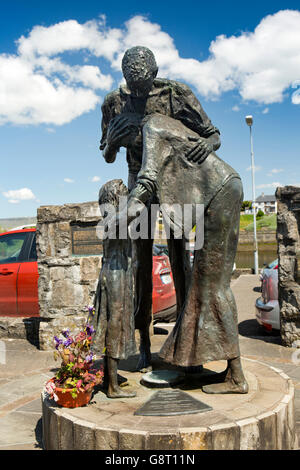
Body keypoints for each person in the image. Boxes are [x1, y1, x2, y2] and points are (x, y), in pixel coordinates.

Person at [100, 46, 221, 372]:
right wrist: (112, 141)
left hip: (177, 187)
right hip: (139, 190)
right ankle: (144, 346)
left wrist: (202, 148)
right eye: (132, 86)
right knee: (139, 268)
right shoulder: (113, 102)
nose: (137, 93)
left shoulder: (176, 93)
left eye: (143, 86)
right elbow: (106, 154)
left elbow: (213, 136)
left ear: (154, 75)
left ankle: (187, 346)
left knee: (182, 264)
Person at [110, 112, 249, 394]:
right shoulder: (162, 124)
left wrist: (118, 220)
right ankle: (199, 359)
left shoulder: (150, 128)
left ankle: (236, 377)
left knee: (212, 286)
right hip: (224, 189)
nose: (133, 153)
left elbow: (146, 182)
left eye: (128, 145)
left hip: (218, 194)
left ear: (130, 133)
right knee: (207, 285)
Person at [91, 179, 136, 398]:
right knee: (114, 325)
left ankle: (110, 377)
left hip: (119, 275)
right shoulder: (114, 219)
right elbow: (136, 209)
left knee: (113, 324)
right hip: (116, 276)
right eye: (124, 194)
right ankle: (112, 387)